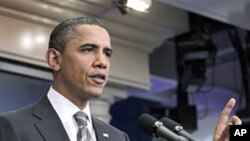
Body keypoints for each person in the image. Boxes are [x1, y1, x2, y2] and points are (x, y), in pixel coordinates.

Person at [0, 17, 242, 141]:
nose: (102, 62)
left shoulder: (116, 137)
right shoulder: (13, 127)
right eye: (88, 49)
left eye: (107, 53)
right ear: (55, 59)